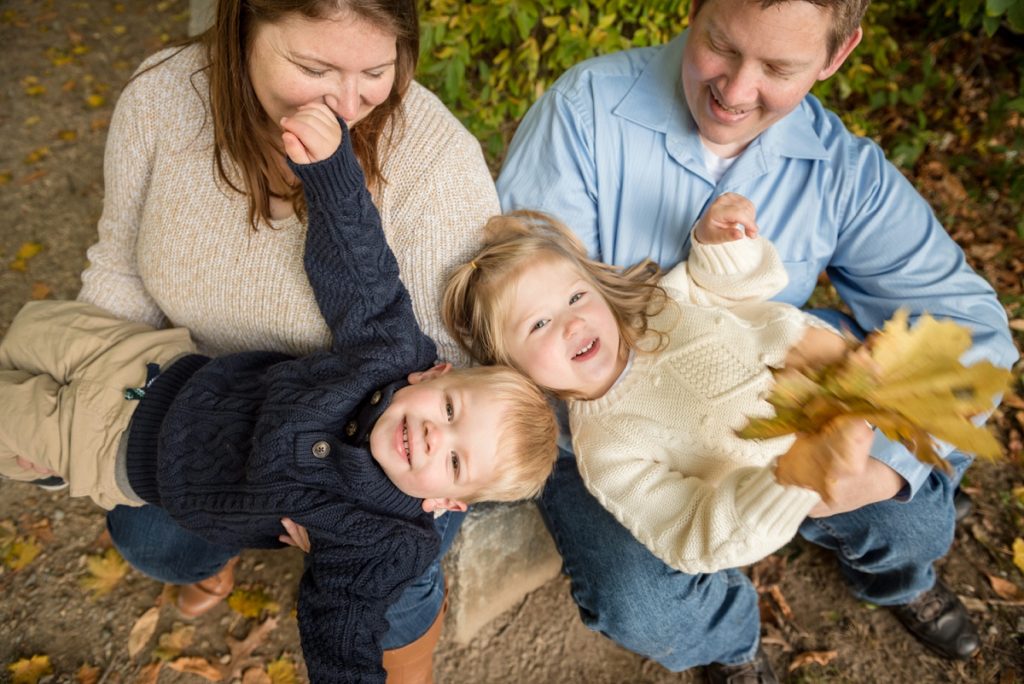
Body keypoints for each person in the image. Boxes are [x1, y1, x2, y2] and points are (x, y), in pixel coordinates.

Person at [495, 0, 1018, 680]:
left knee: (912, 520)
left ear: (836, 55)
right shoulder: (584, 113)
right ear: (694, 9)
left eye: (778, 67)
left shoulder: (841, 170)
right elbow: (514, 306)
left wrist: (878, 465)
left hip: (764, 393)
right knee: (643, 603)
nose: (736, 92)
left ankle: (894, 578)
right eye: (720, 45)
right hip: (611, 427)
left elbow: (972, 327)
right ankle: (729, 643)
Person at [0, 106, 558, 682]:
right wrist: (331, 171)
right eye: (448, 410)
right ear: (432, 375)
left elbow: (340, 631)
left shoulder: (385, 541)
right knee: (29, 330)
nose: (434, 436)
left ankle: (45, 461)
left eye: (455, 459)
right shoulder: (390, 354)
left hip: (115, 451)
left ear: (449, 504)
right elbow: (362, 272)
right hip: (152, 364)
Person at [60, 0, 500, 679]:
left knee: (396, 570)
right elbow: (120, 268)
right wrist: (90, 379)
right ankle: (219, 551)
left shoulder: (438, 164)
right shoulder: (161, 95)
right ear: (243, 30)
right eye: (314, 67)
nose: (348, 102)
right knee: (147, 535)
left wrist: (352, 505)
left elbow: (459, 381)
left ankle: (406, 666)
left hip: (381, 457)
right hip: (212, 409)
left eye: (376, 71)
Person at [444, 199, 888, 574]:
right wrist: (797, 476)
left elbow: (737, 291)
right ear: (513, 369)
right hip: (793, 477)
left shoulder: (660, 304)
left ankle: (896, 576)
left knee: (908, 530)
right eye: (539, 323)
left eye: (577, 297)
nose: (572, 322)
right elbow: (691, 534)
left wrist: (723, 247)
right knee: (871, 510)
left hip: (831, 374)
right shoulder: (607, 453)